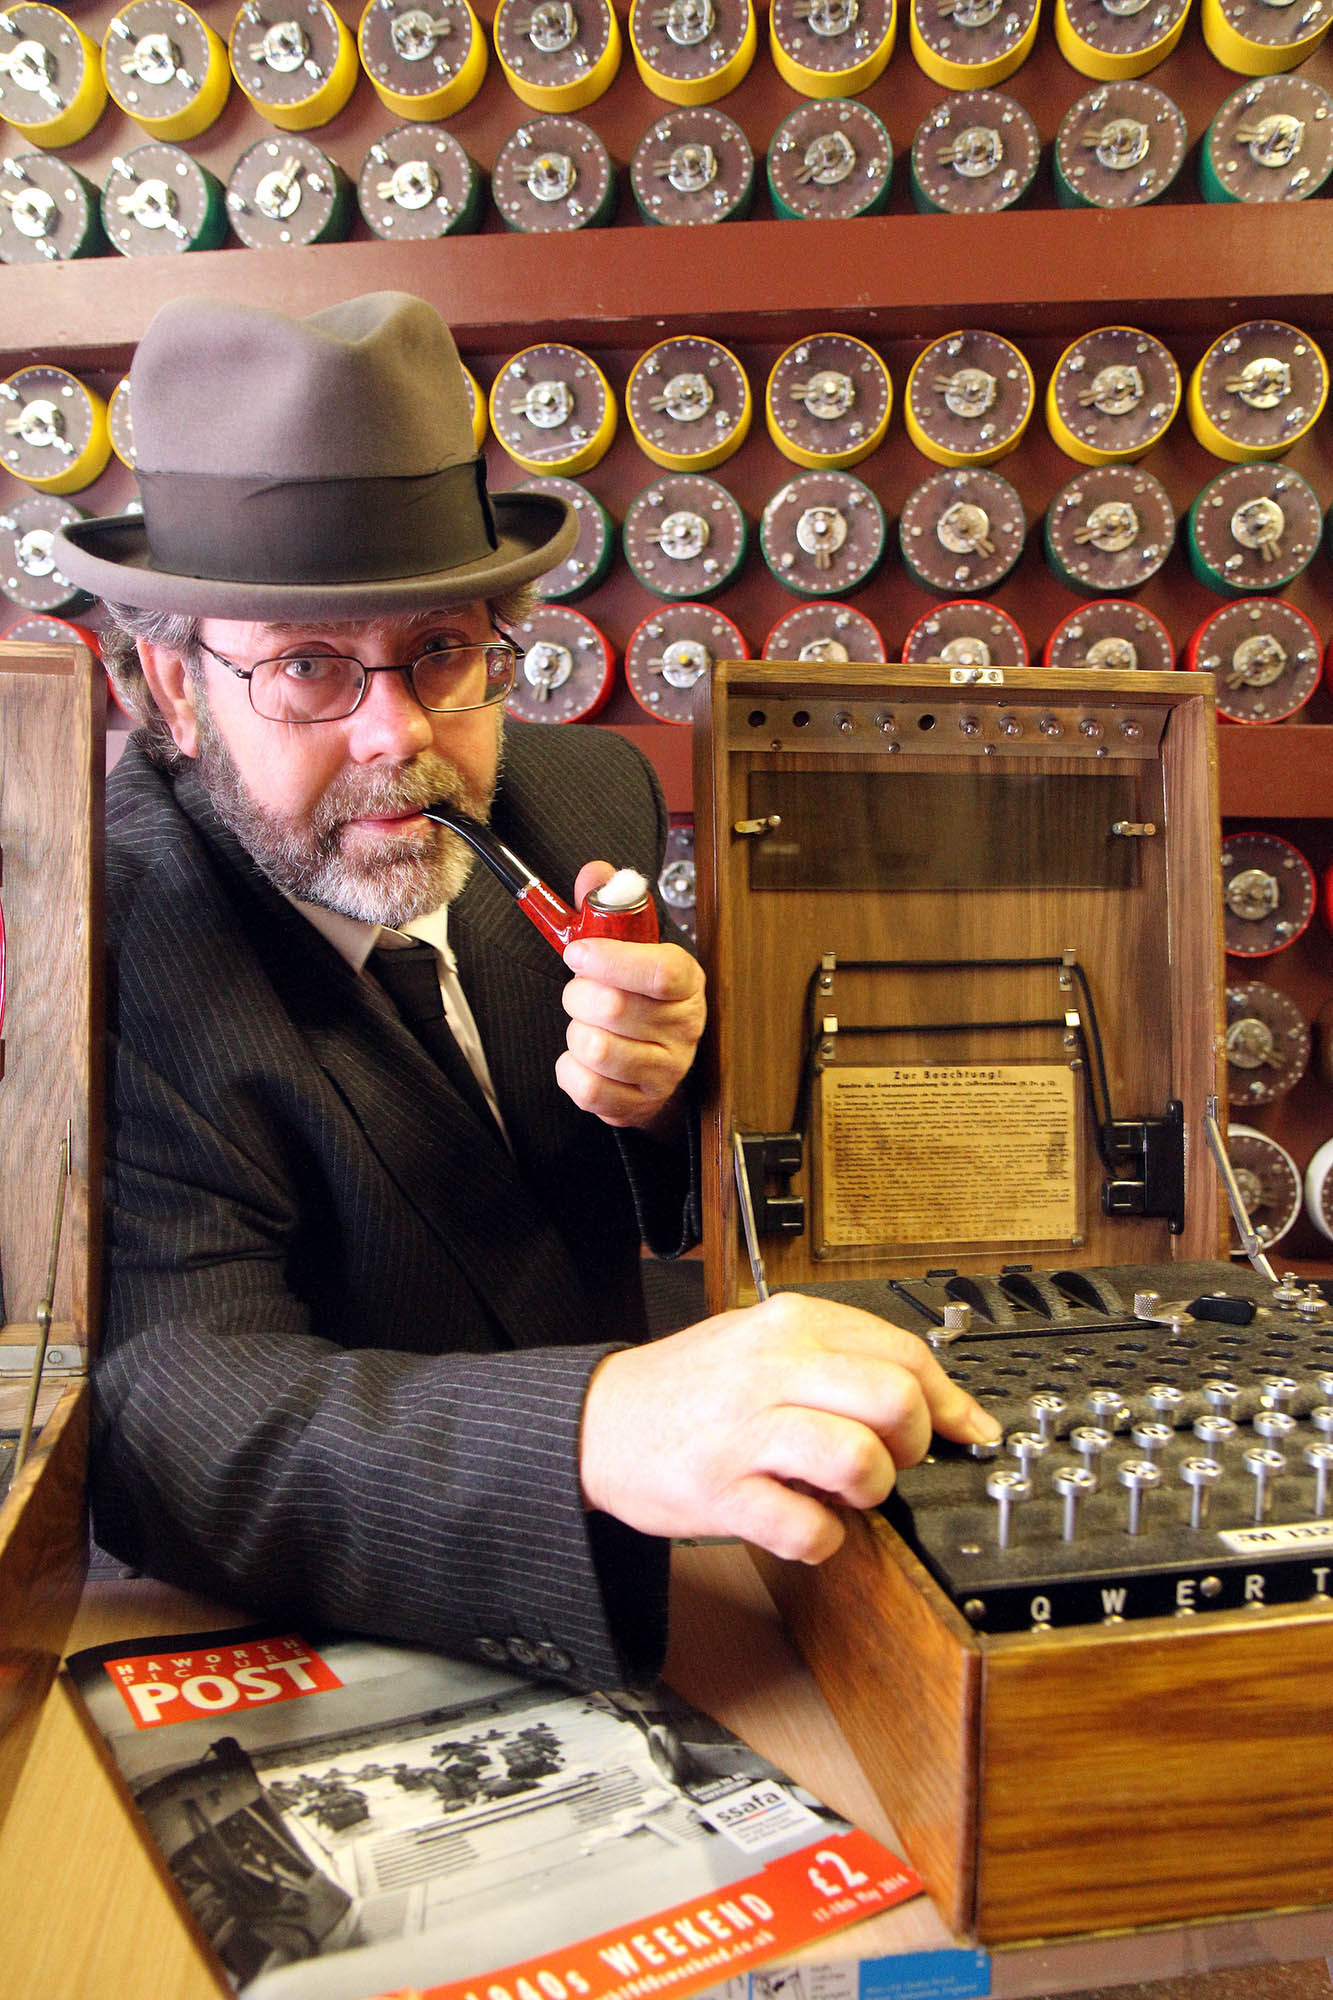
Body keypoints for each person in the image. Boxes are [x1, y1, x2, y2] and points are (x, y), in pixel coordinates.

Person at [55, 292, 1001, 1691]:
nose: (403, 733)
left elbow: (659, 1181)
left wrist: (674, 1093)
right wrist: (588, 1427)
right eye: (310, 667)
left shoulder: (576, 795)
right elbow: (167, 1416)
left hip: (703, 1577)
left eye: (441, 648)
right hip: (361, 1621)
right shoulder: (111, 938)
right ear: (177, 690)